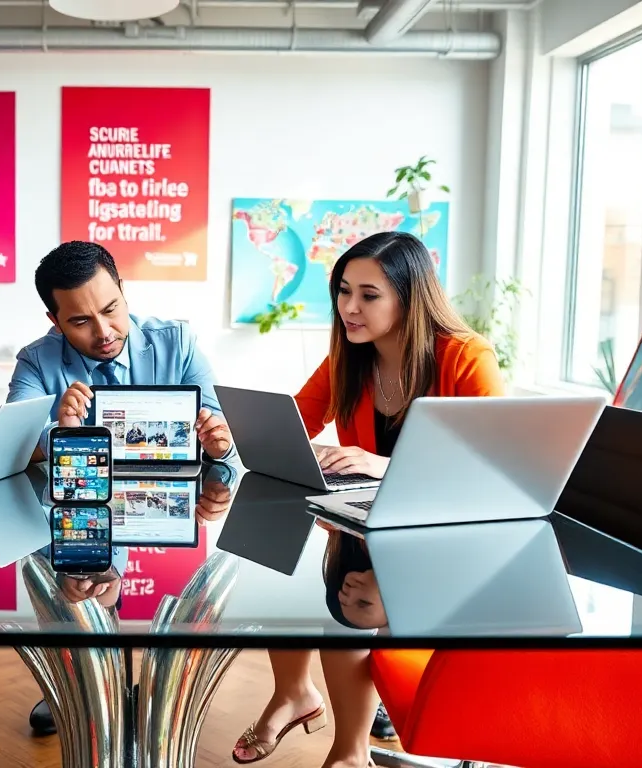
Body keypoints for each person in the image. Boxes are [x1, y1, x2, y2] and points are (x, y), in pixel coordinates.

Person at [233, 231, 504, 767]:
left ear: (409, 297)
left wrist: (389, 467)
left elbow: (498, 465)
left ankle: (341, 738)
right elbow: (293, 424)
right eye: (342, 291)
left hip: (452, 537)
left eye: (368, 295)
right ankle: (343, 744)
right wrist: (251, 438)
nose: (349, 308)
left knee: (351, 600)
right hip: (367, 525)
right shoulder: (350, 357)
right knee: (300, 583)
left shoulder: (466, 356)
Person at [7, 240, 236, 735]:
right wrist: (57, 435)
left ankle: (140, 680)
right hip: (79, 514)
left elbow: (222, 433)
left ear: (124, 293)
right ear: (55, 320)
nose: (105, 331)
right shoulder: (36, 362)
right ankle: (77, 676)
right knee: (64, 564)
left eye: (111, 309)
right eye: (80, 321)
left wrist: (219, 441)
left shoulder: (178, 341)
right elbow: (11, 445)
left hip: (170, 509)